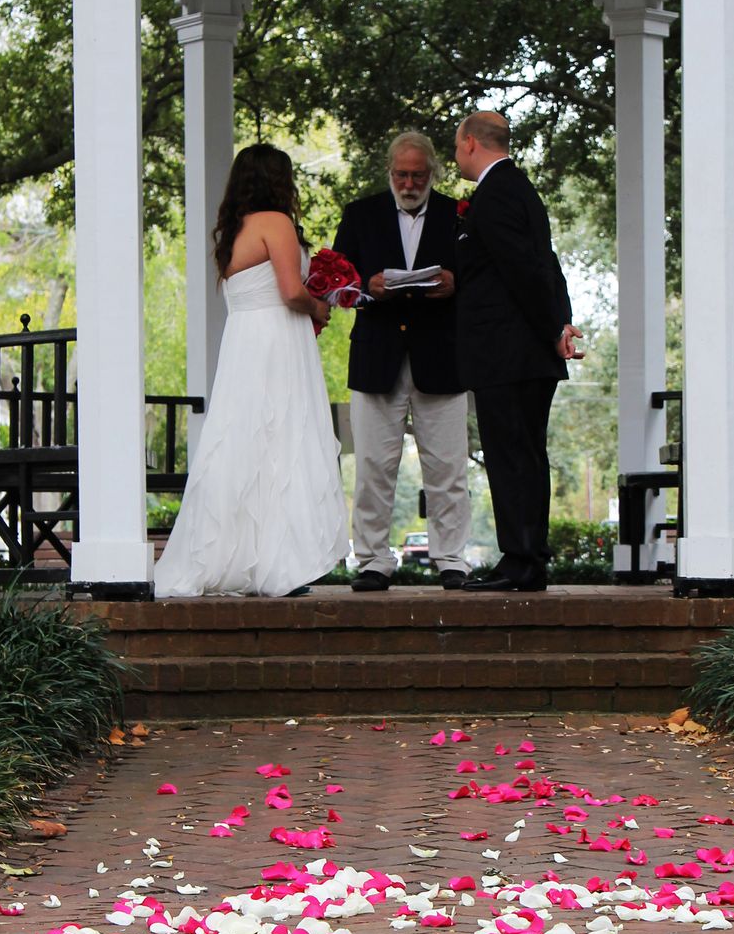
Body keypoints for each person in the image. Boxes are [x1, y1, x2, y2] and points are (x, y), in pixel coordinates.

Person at [154, 144, 347, 598]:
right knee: (282, 440)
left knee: (244, 443)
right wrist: (322, 304)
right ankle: (280, 564)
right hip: (276, 339)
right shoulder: (276, 223)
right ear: (278, 181)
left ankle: (245, 558)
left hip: (244, 342)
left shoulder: (233, 231)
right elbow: (290, 292)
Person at [333, 131, 471, 592]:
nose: (409, 183)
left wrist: (457, 283)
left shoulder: (458, 215)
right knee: (373, 464)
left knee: (448, 467)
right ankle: (373, 559)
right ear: (389, 172)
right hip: (377, 354)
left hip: (443, 354)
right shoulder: (360, 215)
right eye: (401, 174)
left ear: (433, 172)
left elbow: (482, 279)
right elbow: (336, 286)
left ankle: (451, 558)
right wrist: (363, 289)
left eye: (417, 174)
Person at [453, 111, 584, 592]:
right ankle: (526, 555)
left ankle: (521, 559)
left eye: (456, 146)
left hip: (507, 352)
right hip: (525, 350)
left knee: (512, 454)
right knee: (524, 454)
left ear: (470, 143)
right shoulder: (521, 189)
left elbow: (524, 270)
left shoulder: (496, 194)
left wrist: (554, 327)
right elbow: (546, 263)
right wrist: (561, 321)